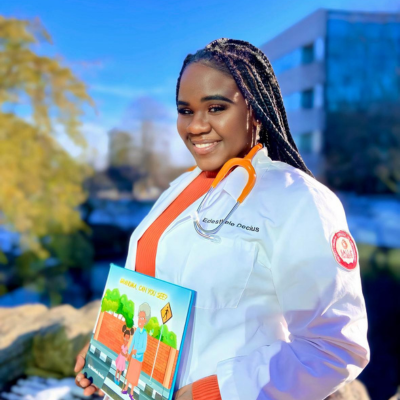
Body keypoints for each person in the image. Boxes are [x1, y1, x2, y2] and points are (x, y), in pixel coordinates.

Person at [75, 38, 369, 400]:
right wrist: (107, 347)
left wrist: (211, 393)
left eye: (216, 107)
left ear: (257, 110)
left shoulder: (298, 200)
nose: (196, 126)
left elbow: (333, 348)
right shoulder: (179, 188)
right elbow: (150, 289)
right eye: (186, 110)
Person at [121, 303, 151, 399]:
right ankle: (125, 388)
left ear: (145, 320)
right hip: (133, 358)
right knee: (129, 373)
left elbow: (144, 348)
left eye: (142, 318)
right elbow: (132, 342)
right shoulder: (137, 330)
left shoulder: (145, 333)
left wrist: (136, 352)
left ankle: (132, 392)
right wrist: (128, 354)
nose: (140, 320)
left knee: (134, 376)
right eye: (139, 317)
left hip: (138, 358)